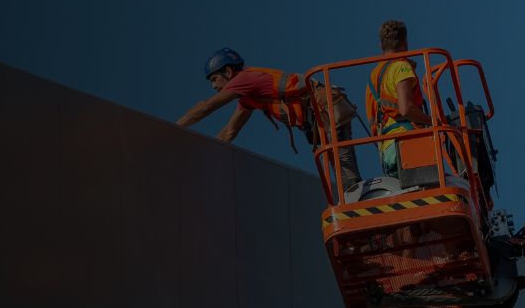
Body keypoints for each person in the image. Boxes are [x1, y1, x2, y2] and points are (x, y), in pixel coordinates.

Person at [177, 47, 362, 192]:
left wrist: (174, 129)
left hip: (325, 109)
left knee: (343, 168)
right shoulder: (247, 97)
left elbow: (206, 106)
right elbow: (229, 132)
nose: (214, 86)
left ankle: (358, 201)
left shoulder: (245, 79)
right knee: (340, 168)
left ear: (228, 72)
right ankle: (355, 199)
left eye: (215, 79)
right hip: (321, 115)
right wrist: (205, 159)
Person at [366, 20, 432, 177]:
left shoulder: (373, 78)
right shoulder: (401, 67)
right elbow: (405, 109)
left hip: (387, 152)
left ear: (382, 46)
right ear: (405, 42)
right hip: (407, 146)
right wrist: (433, 121)